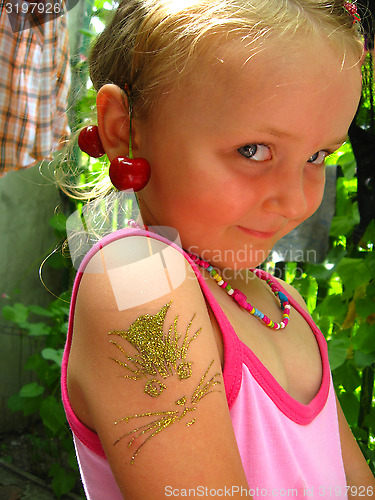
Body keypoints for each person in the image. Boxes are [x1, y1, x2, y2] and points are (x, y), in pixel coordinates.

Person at [61, 0, 375, 498]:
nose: (296, 201)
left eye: (318, 155)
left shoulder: (283, 306)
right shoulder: (138, 276)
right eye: (253, 151)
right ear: (124, 128)